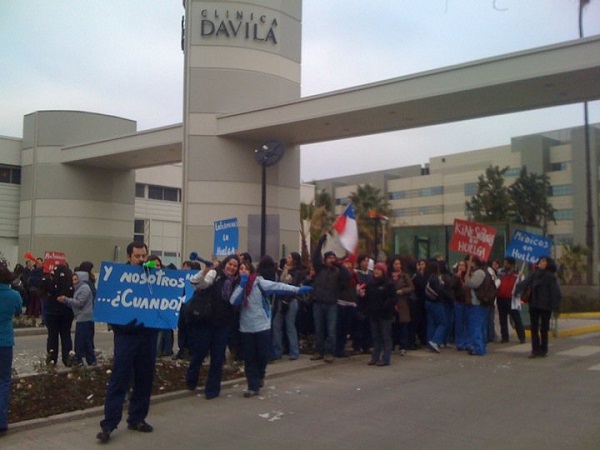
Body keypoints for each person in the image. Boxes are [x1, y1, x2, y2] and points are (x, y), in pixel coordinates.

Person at [97, 242, 158, 443]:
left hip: (147, 335)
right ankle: (109, 424)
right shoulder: (118, 277)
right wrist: (121, 325)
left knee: (144, 379)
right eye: (137, 256)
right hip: (126, 336)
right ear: (129, 256)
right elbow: (110, 306)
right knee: (119, 378)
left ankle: (137, 418)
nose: (141, 260)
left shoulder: (154, 278)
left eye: (144, 256)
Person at [231, 257, 311, 397]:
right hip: (246, 328)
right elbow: (233, 301)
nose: (242, 271)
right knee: (250, 358)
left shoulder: (259, 283)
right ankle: (252, 386)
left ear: (250, 271)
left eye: (245, 269)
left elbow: (278, 286)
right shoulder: (238, 286)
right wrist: (242, 285)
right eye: (240, 269)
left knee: (262, 355)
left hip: (262, 325)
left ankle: (260, 374)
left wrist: (297, 290)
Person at [186, 255, 240, 398]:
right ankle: (191, 381)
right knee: (200, 353)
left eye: (235, 266)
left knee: (217, 358)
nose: (232, 268)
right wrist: (205, 271)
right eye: (230, 264)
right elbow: (197, 283)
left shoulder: (237, 281)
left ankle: (212, 389)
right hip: (206, 321)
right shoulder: (214, 274)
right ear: (225, 264)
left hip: (223, 324)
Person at [516, 256, 561, 358]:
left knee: (544, 329)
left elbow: (555, 292)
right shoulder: (535, 274)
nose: (541, 262)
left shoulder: (551, 276)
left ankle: (543, 349)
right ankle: (535, 350)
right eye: (541, 260)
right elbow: (525, 282)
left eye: (544, 261)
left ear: (548, 263)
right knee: (534, 328)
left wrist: (555, 307)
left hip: (546, 306)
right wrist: (517, 287)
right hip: (534, 304)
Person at [310, 234, 343, 363]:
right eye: (329, 257)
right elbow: (315, 258)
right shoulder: (319, 269)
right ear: (325, 260)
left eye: (333, 258)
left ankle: (329, 353)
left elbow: (346, 275)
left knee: (331, 330)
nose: (331, 260)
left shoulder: (337, 271)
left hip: (331, 304)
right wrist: (320, 243)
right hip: (318, 303)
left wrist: (339, 264)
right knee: (319, 329)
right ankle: (319, 351)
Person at [0, 263, 23, 436]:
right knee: (4, 381)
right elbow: (18, 312)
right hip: (5, 341)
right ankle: (1, 422)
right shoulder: (14, 295)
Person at [359, 262, 396, 366]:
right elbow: (368, 298)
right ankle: (375, 357)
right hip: (373, 314)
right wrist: (363, 296)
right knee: (376, 337)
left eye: (379, 270)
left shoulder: (389, 284)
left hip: (385, 315)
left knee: (386, 337)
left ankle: (386, 358)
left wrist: (384, 306)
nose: (376, 271)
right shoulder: (371, 284)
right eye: (375, 269)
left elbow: (393, 299)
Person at [272, 252, 307, 361]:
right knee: (276, 325)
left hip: (291, 300)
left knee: (290, 326)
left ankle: (294, 351)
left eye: (290, 257)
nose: (287, 259)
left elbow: (293, 285)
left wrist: (286, 301)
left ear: (294, 260)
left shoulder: (296, 272)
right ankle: (278, 350)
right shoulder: (284, 270)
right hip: (280, 299)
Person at [57, 271, 97, 366]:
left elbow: (79, 303)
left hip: (85, 318)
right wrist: (66, 302)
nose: (74, 282)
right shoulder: (80, 289)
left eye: (76, 279)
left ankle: (81, 360)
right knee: (85, 341)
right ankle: (90, 360)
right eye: (73, 280)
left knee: (81, 341)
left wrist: (66, 300)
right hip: (82, 317)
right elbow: (76, 304)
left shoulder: (84, 289)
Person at [42, 264, 75, 366]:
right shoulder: (69, 281)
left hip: (51, 312)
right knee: (66, 335)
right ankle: (67, 358)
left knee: (52, 336)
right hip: (66, 312)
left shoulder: (49, 280)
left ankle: (52, 358)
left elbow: (42, 292)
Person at [388, 256, 414, 355]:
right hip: (392, 303)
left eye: (399, 264)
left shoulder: (404, 276)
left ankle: (403, 346)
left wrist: (403, 291)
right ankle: (393, 345)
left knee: (403, 325)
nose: (397, 266)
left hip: (402, 302)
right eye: (395, 264)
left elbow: (411, 287)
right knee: (393, 325)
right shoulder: (389, 276)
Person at [496, 257, 526, 344]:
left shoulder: (518, 273)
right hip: (501, 297)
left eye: (507, 263)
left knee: (516, 318)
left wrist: (520, 277)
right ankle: (505, 337)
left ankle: (521, 337)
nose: (505, 265)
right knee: (502, 319)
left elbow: (522, 284)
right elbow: (497, 281)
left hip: (512, 298)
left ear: (512, 264)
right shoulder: (500, 272)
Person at [465, 257, 490, 356]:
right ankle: (481, 346)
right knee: (481, 326)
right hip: (482, 303)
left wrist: (467, 280)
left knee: (476, 326)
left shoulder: (479, 272)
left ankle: (479, 348)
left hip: (477, 302)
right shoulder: (485, 272)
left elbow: (473, 284)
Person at [423, 260, 449, 353]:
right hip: (436, 302)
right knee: (443, 323)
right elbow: (440, 290)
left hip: (428, 302)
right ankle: (435, 341)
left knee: (431, 323)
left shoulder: (427, 277)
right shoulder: (435, 278)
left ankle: (429, 341)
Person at [351, 255, 372, 354]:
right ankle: (356, 346)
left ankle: (366, 346)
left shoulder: (371, 274)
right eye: (364, 261)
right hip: (358, 302)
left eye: (367, 261)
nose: (366, 263)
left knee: (367, 325)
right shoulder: (355, 273)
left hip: (368, 302)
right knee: (357, 324)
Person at [450, 259, 471, 351]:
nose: (461, 267)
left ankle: (467, 342)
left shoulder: (468, 276)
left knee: (467, 323)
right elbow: (451, 286)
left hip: (467, 302)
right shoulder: (455, 277)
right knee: (459, 323)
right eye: (460, 265)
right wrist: (456, 277)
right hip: (458, 302)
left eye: (463, 265)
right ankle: (459, 342)